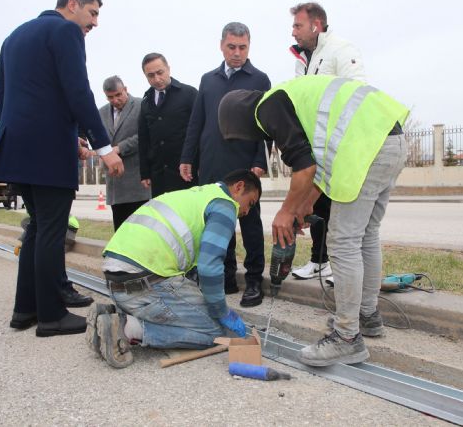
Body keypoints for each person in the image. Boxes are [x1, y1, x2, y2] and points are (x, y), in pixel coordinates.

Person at [218, 75, 408, 367]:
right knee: (367, 235)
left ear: (241, 121)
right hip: (390, 140)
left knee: (343, 241)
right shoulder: (292, 100)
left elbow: (304, 168)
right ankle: (366, 316)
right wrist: (303, 206)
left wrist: (285, 212)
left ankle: (347, 338)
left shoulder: (267, 108)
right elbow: (318, 164)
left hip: (366, 150)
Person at [0, 0, 124, 337]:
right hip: (46, 152)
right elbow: (78, 90)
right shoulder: (65, 31)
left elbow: (4, 97)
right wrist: (104, 148)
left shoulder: (14, 37)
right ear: (73, 4)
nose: (94, 23)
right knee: (51, 229)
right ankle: (50, 316)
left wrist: (41, 131)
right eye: (92, 13)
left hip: (18, 146)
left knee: (36, 227)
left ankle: (25, 309)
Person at [86, 169, 261, 368]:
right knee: (214, 331)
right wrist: (221, 312)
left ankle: (112, 314)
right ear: (238, 187)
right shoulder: (225, 205)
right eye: (251, 202)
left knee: (195, 309)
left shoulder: (196, 195)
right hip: (145, 283)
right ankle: (126, 329)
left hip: (116, 281)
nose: (246, 211)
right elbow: (210, 268)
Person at [179, 22, 271, 307]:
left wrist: (259, 161)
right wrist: (187, 157)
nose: (237, 53)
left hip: (244, 164)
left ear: (249, 47)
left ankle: (254, 279)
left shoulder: (259, 79)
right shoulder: (208, 80)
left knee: (250, 223)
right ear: (222, 45)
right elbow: (197, 122)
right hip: (211, 161)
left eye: (242, 47)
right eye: (232, 47)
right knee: (218, 223)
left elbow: (266, 124)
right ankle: (227, 276)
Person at [288, 2, 367, 283]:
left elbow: (358, 91)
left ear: (316, 25)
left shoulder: (340, 49)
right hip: (316, 142)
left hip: (339, 143)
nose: (293, 32)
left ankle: (340, 266)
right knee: (318, 207)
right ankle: (319, 261)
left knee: (338, 207)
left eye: (298, 25)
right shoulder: (302, 59)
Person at [138, 53, 198, 197]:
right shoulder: (146, 102)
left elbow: (200, 131)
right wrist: (144, 172)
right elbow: (144, 139)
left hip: (186, 172)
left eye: (160, 72)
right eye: (151, 76)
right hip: (159, 175)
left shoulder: (189, 94)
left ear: (168, 69)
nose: (157, 79)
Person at [99, 75, 150, 230]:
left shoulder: (142, 105)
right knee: (121, 231)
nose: (115, 100)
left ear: (125, 89)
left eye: (118, 95)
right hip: (115, 184)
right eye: (110, 97)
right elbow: (99, 140)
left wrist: (119, 148)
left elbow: (147, 135)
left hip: (138, 184)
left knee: (141, 231)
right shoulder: (101, 112)